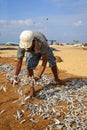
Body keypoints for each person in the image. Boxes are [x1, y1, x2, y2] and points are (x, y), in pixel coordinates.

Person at [13, 30, 62, 97]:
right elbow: (19, 62)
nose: (27, 47)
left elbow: (44, 60)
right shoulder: (22, 45)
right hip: (32, 51)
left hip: (43, 48)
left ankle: (56, 78)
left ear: (33, 41)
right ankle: (32, 88)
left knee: (52, 62)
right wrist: (15, 76)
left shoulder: (42, 42)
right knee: (29, 66)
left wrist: (39, 76)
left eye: (29, 45)